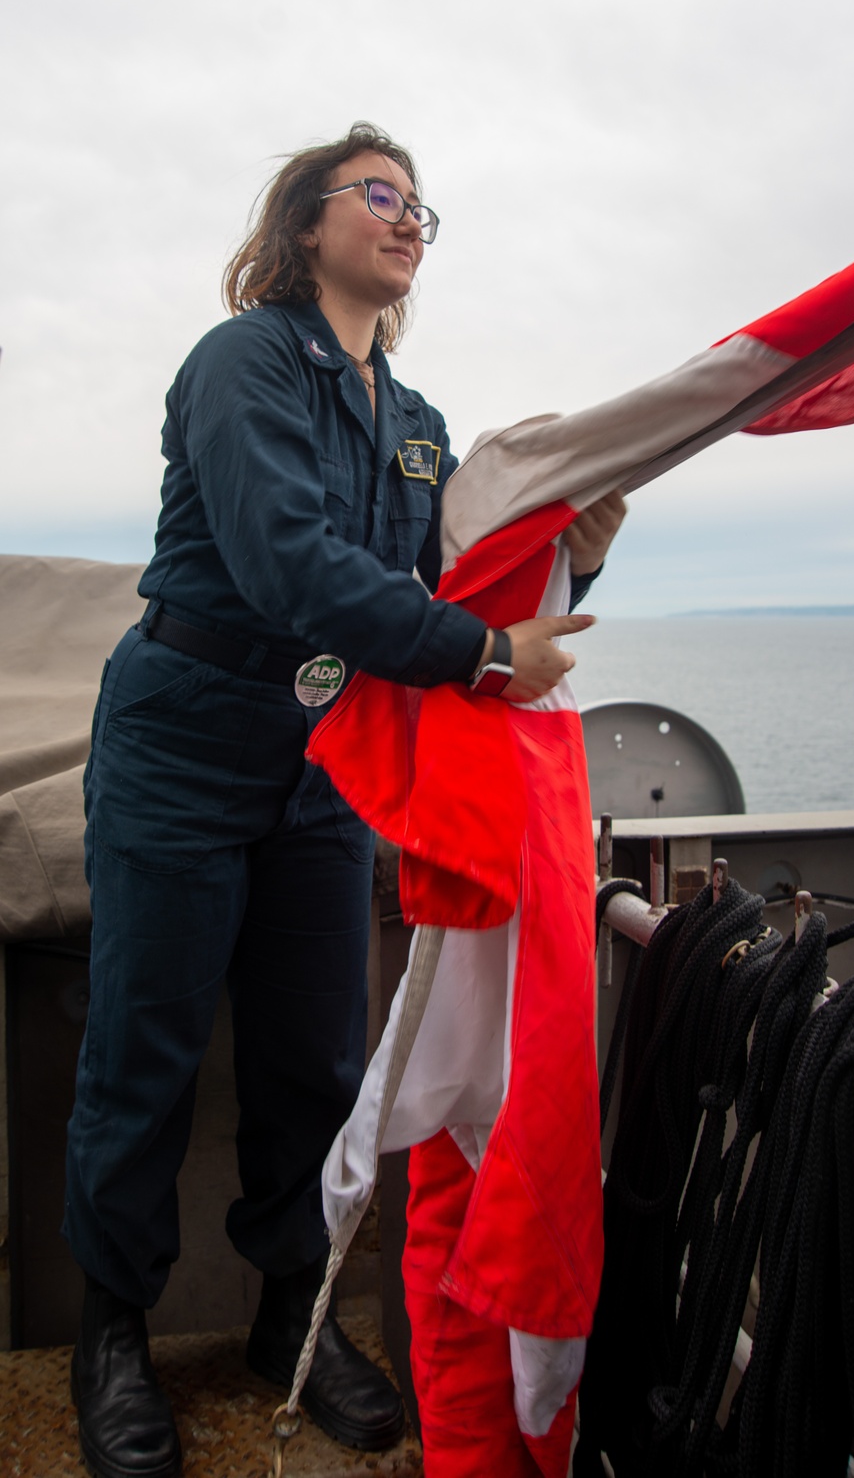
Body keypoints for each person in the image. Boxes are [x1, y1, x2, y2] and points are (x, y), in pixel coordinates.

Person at [64, 121, 626, 1478]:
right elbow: (287, 561)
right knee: (144, 1050)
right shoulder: (243, 364)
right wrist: (489, 657)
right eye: (380, 193)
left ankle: (286, 1328)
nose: (408, 216)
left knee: (314, 1060)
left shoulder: (421, 427)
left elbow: (451, 594)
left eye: (424, 204)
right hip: (184, 741)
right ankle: (111, 1336)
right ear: (306, 223)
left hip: (321, 762)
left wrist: (572, 568)